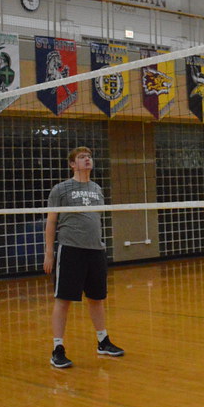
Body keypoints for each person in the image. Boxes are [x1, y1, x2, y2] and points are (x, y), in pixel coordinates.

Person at [43, 146, 124, 368]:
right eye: (81, 157)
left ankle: (103, 341)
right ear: (72, 164)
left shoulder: (97, 188)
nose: (87, 160)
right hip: (70, 249)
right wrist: (49, 252)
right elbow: (51, 221)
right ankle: (58, 348)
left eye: (89, 157)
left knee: (97, 298)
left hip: (95, 251)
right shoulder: (61, 189)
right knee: (64, 300)